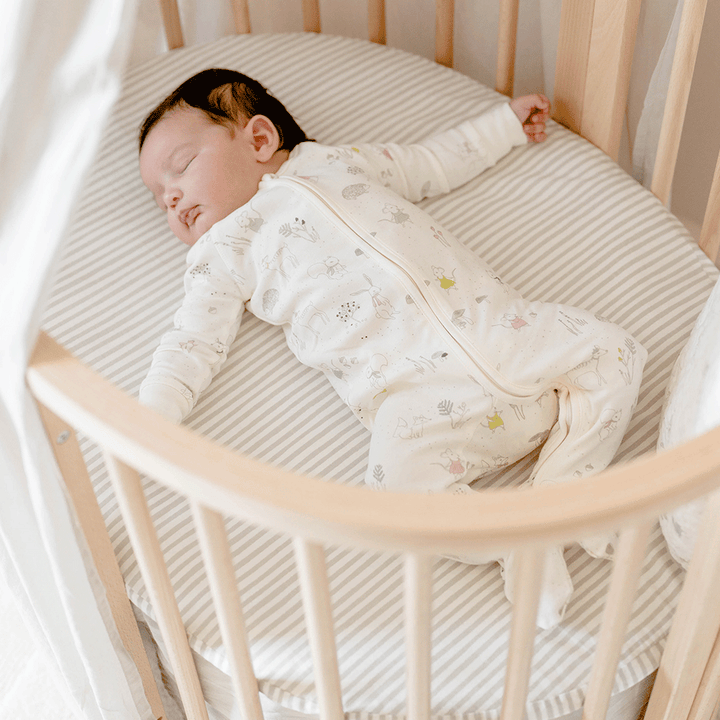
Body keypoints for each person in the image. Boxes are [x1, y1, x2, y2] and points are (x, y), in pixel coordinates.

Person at [138, 68, 647, 627]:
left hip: (499, 330)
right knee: (394, 492)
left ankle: (562, 495)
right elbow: (191, 342)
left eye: (180, 168)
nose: (172, 199)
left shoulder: (332, 163)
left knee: (614, 350)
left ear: (259, 139)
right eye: (160, 198)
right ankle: (516, 540)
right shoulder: (221, 253)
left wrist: (502, 126)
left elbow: (428, 164)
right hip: (412, 398)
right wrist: (148, 420)